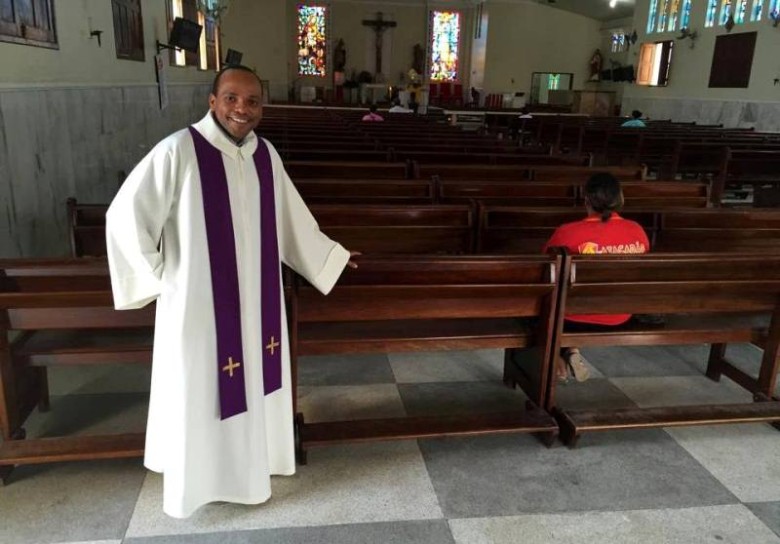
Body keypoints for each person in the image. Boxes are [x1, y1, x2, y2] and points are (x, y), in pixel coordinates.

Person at [105, 65, 357, 519]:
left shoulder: (265, 156)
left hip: (257, 303)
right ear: (213, 101)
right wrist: (161, 278)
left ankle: (248, 470)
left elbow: (292, 220)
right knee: (200, 389)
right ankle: (197, 479)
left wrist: (330, 256)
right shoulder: (178, 150)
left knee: (254, 381)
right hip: (198, 305)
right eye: (232, 98)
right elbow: (125, 216)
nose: (242, 109)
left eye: (253, 101)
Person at [543, 173, 650, 382]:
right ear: (620, 200)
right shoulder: (637, 231)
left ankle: (559, 356)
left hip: (572, 317)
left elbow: (544, 268)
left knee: (546, 303)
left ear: (586, 201)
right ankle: (569, 350)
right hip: (620, 315)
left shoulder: (568, 232)